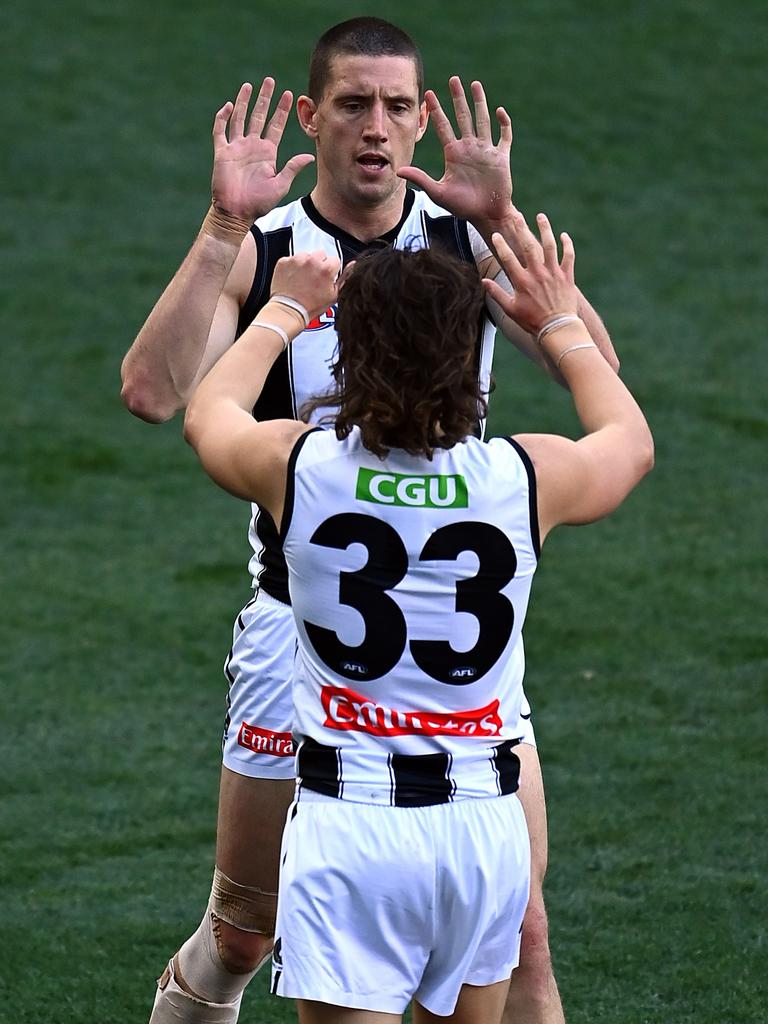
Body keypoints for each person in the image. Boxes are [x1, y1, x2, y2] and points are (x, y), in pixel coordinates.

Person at [120, 17, 620, 1024]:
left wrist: (509, 220)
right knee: (244, 931)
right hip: (292, 631)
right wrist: (222, 230)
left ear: (424, 119)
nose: (377, 128)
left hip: (447, 644)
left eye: (398, 106)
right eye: (352, 105)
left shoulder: (466, 241)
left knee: (527, 933)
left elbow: (595, 363)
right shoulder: (264, 248)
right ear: (313, 116)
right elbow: (152, 390)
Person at [182, 210, 654, 1024]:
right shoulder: (524, 476)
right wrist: (560, 320)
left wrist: (283, 309)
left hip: (351, 829)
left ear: (351, 355)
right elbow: (630, 439)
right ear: (467, 362)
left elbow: (206, 414)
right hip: (481, 829)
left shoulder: (300, 468)